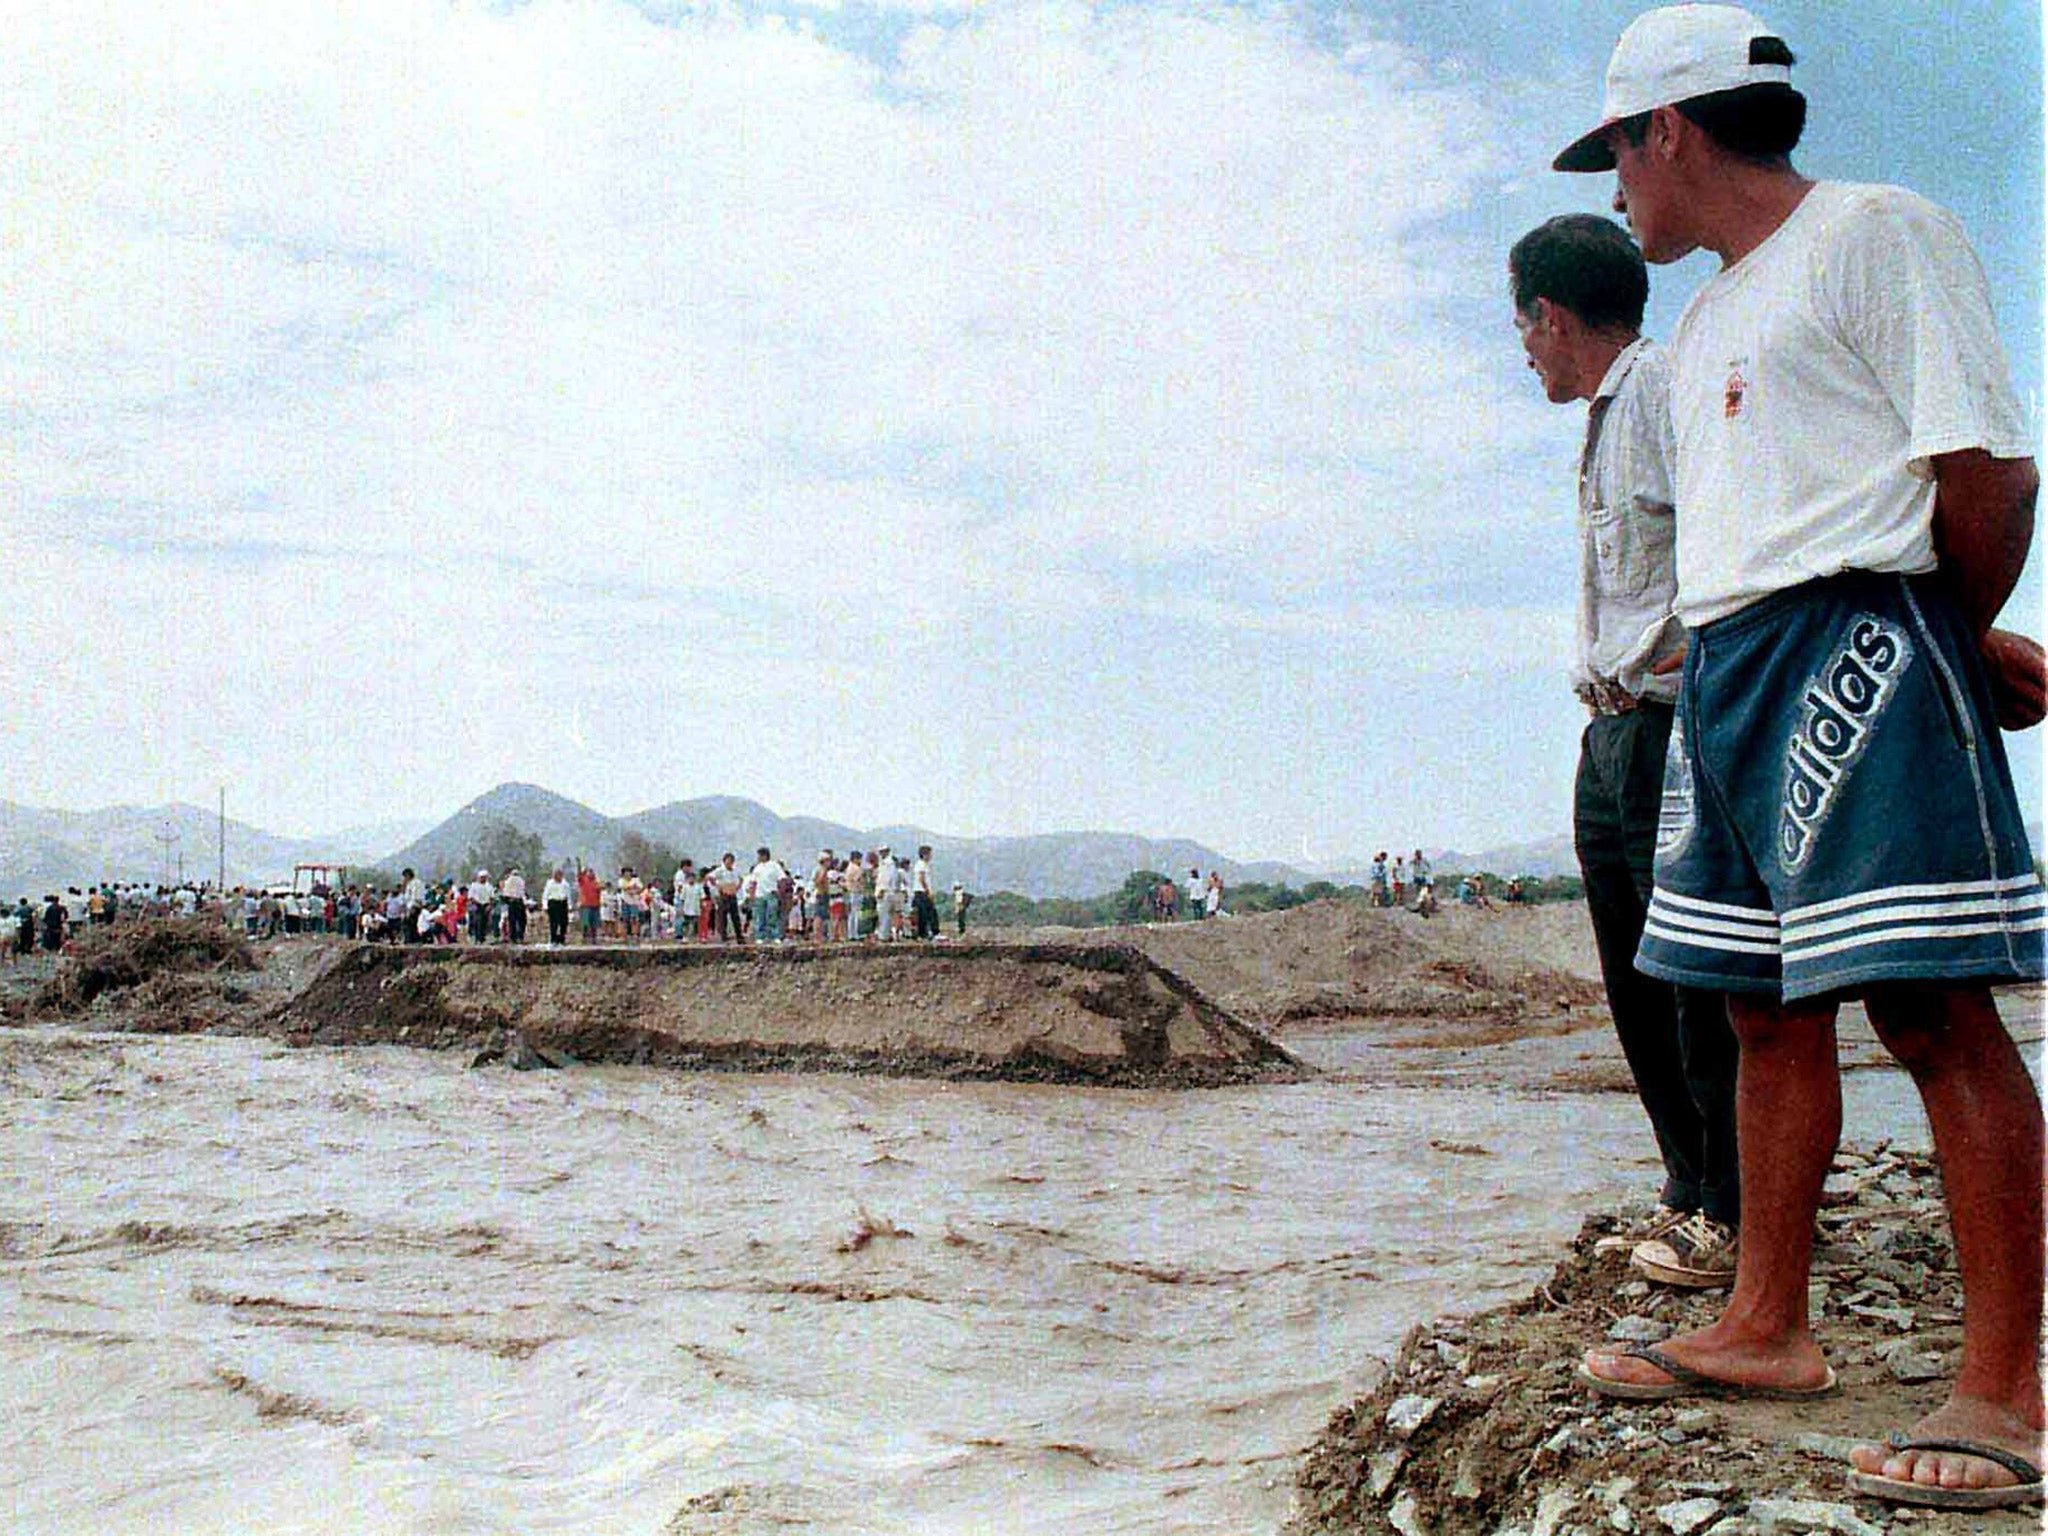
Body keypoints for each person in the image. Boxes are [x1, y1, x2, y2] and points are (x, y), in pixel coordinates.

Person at [1555, 7, 2046, 1509]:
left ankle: (2008, 1391)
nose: (1616, 193)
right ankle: (1769, 1325)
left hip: (1858, 641)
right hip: (1730, 667)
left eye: (1618, 154)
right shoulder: (1702, 321)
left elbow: (1985, 471)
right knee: (1759, 1012)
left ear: (1674, 131)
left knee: (1927, 1007)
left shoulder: (1878, 233)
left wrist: (1942, 645)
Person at [1510, 208, 1740, 1287]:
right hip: (1609, 729)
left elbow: (1720, 540)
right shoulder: (1601, 419)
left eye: (1521, 327)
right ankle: (1687, 1188)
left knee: (1694, 976)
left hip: (1668, 723)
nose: (1521, 349)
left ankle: (1736, 1210)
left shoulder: (1656, 391)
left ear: (1548, 317)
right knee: (1633, 975)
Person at [911, 846, 939, 940]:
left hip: (923, 892)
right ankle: (925, 933)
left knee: (928, 913)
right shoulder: (921, 864)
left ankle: (928, 933)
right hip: (921, 892)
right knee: (924, 914)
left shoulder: (925, 865)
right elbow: (921, 879)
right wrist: (927, 891)